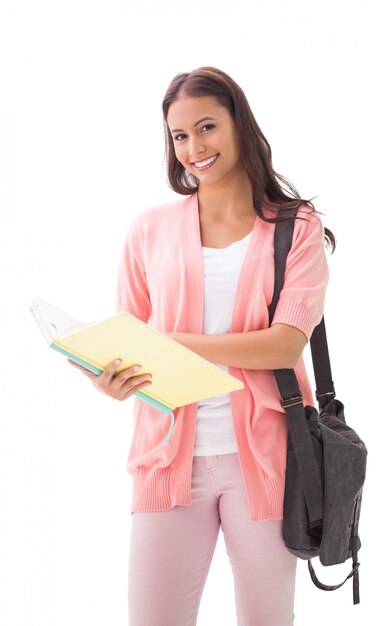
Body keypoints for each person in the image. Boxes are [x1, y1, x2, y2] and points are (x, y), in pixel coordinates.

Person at [68, 66, 335, 626]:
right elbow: (131, 336)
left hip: (265, 463)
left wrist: (170, 342)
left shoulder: (296, 227)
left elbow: (285, 345)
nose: (194, 148)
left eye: (207, 127)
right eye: (180, 136)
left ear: (240, 123)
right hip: (167, 460)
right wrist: (109, 377)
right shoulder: (149, 229)